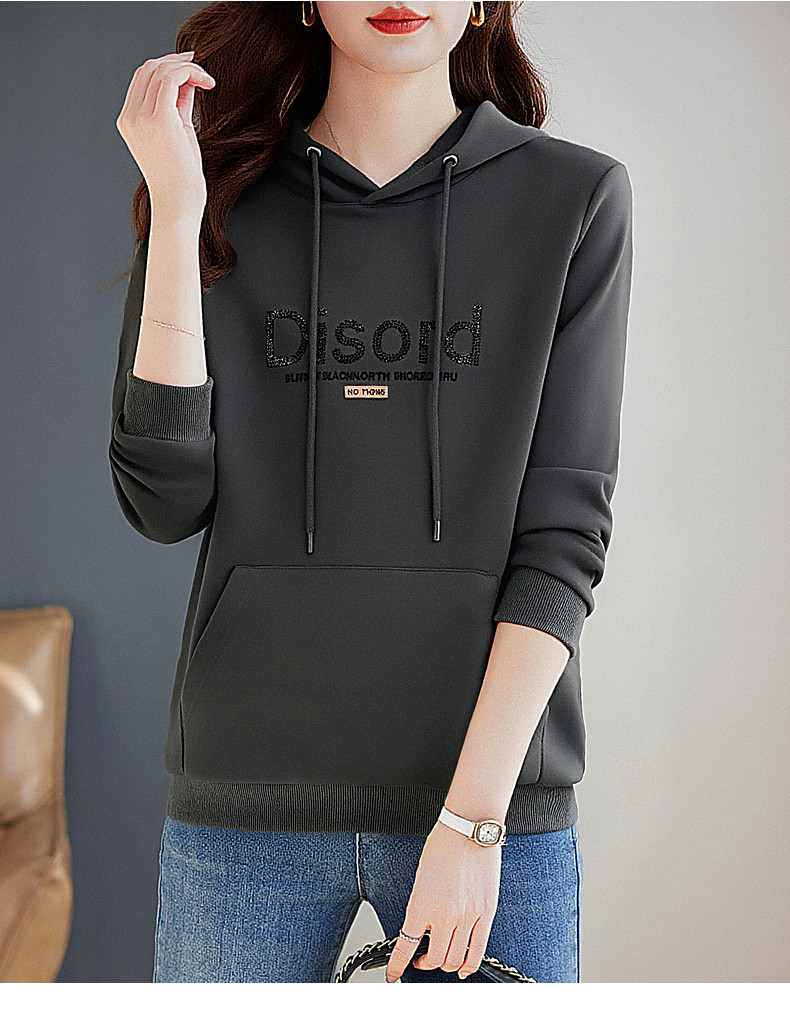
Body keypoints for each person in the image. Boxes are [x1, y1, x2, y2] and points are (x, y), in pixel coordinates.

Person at [110, 1, 633, 983]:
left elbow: (564, 537)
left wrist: (473, 822)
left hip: (487, 811)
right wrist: (179, 215)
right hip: (243, 806)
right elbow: (162, 498)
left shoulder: (573, 197)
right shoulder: (212, 194)